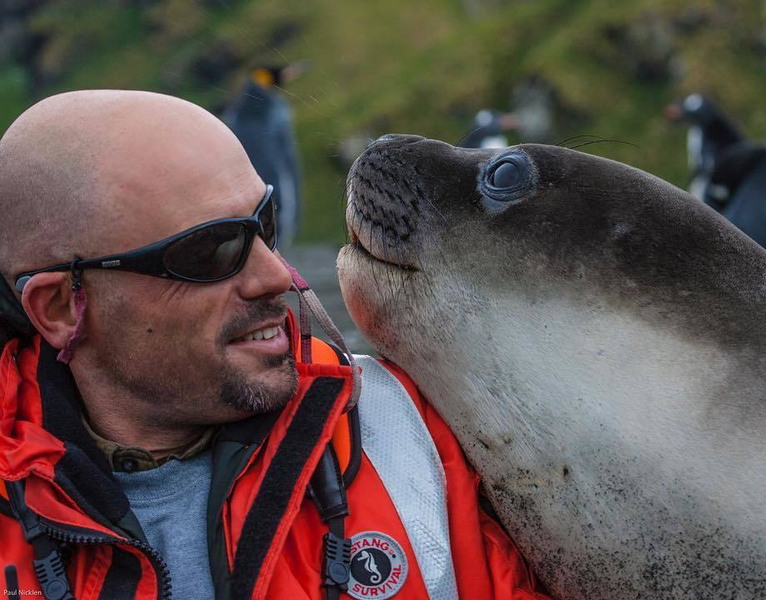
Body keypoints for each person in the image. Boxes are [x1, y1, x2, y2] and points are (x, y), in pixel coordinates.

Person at [0, 90, 551, 600]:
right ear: (59, 307)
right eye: (210, 251)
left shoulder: (414, 434)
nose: (275, 276)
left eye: (265, 223)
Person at [222, 66, 303, 248]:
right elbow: (287, 159)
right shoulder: (274, 109)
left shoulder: (236, 112)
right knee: (278, 225)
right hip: (275, 186)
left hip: (241, 196)